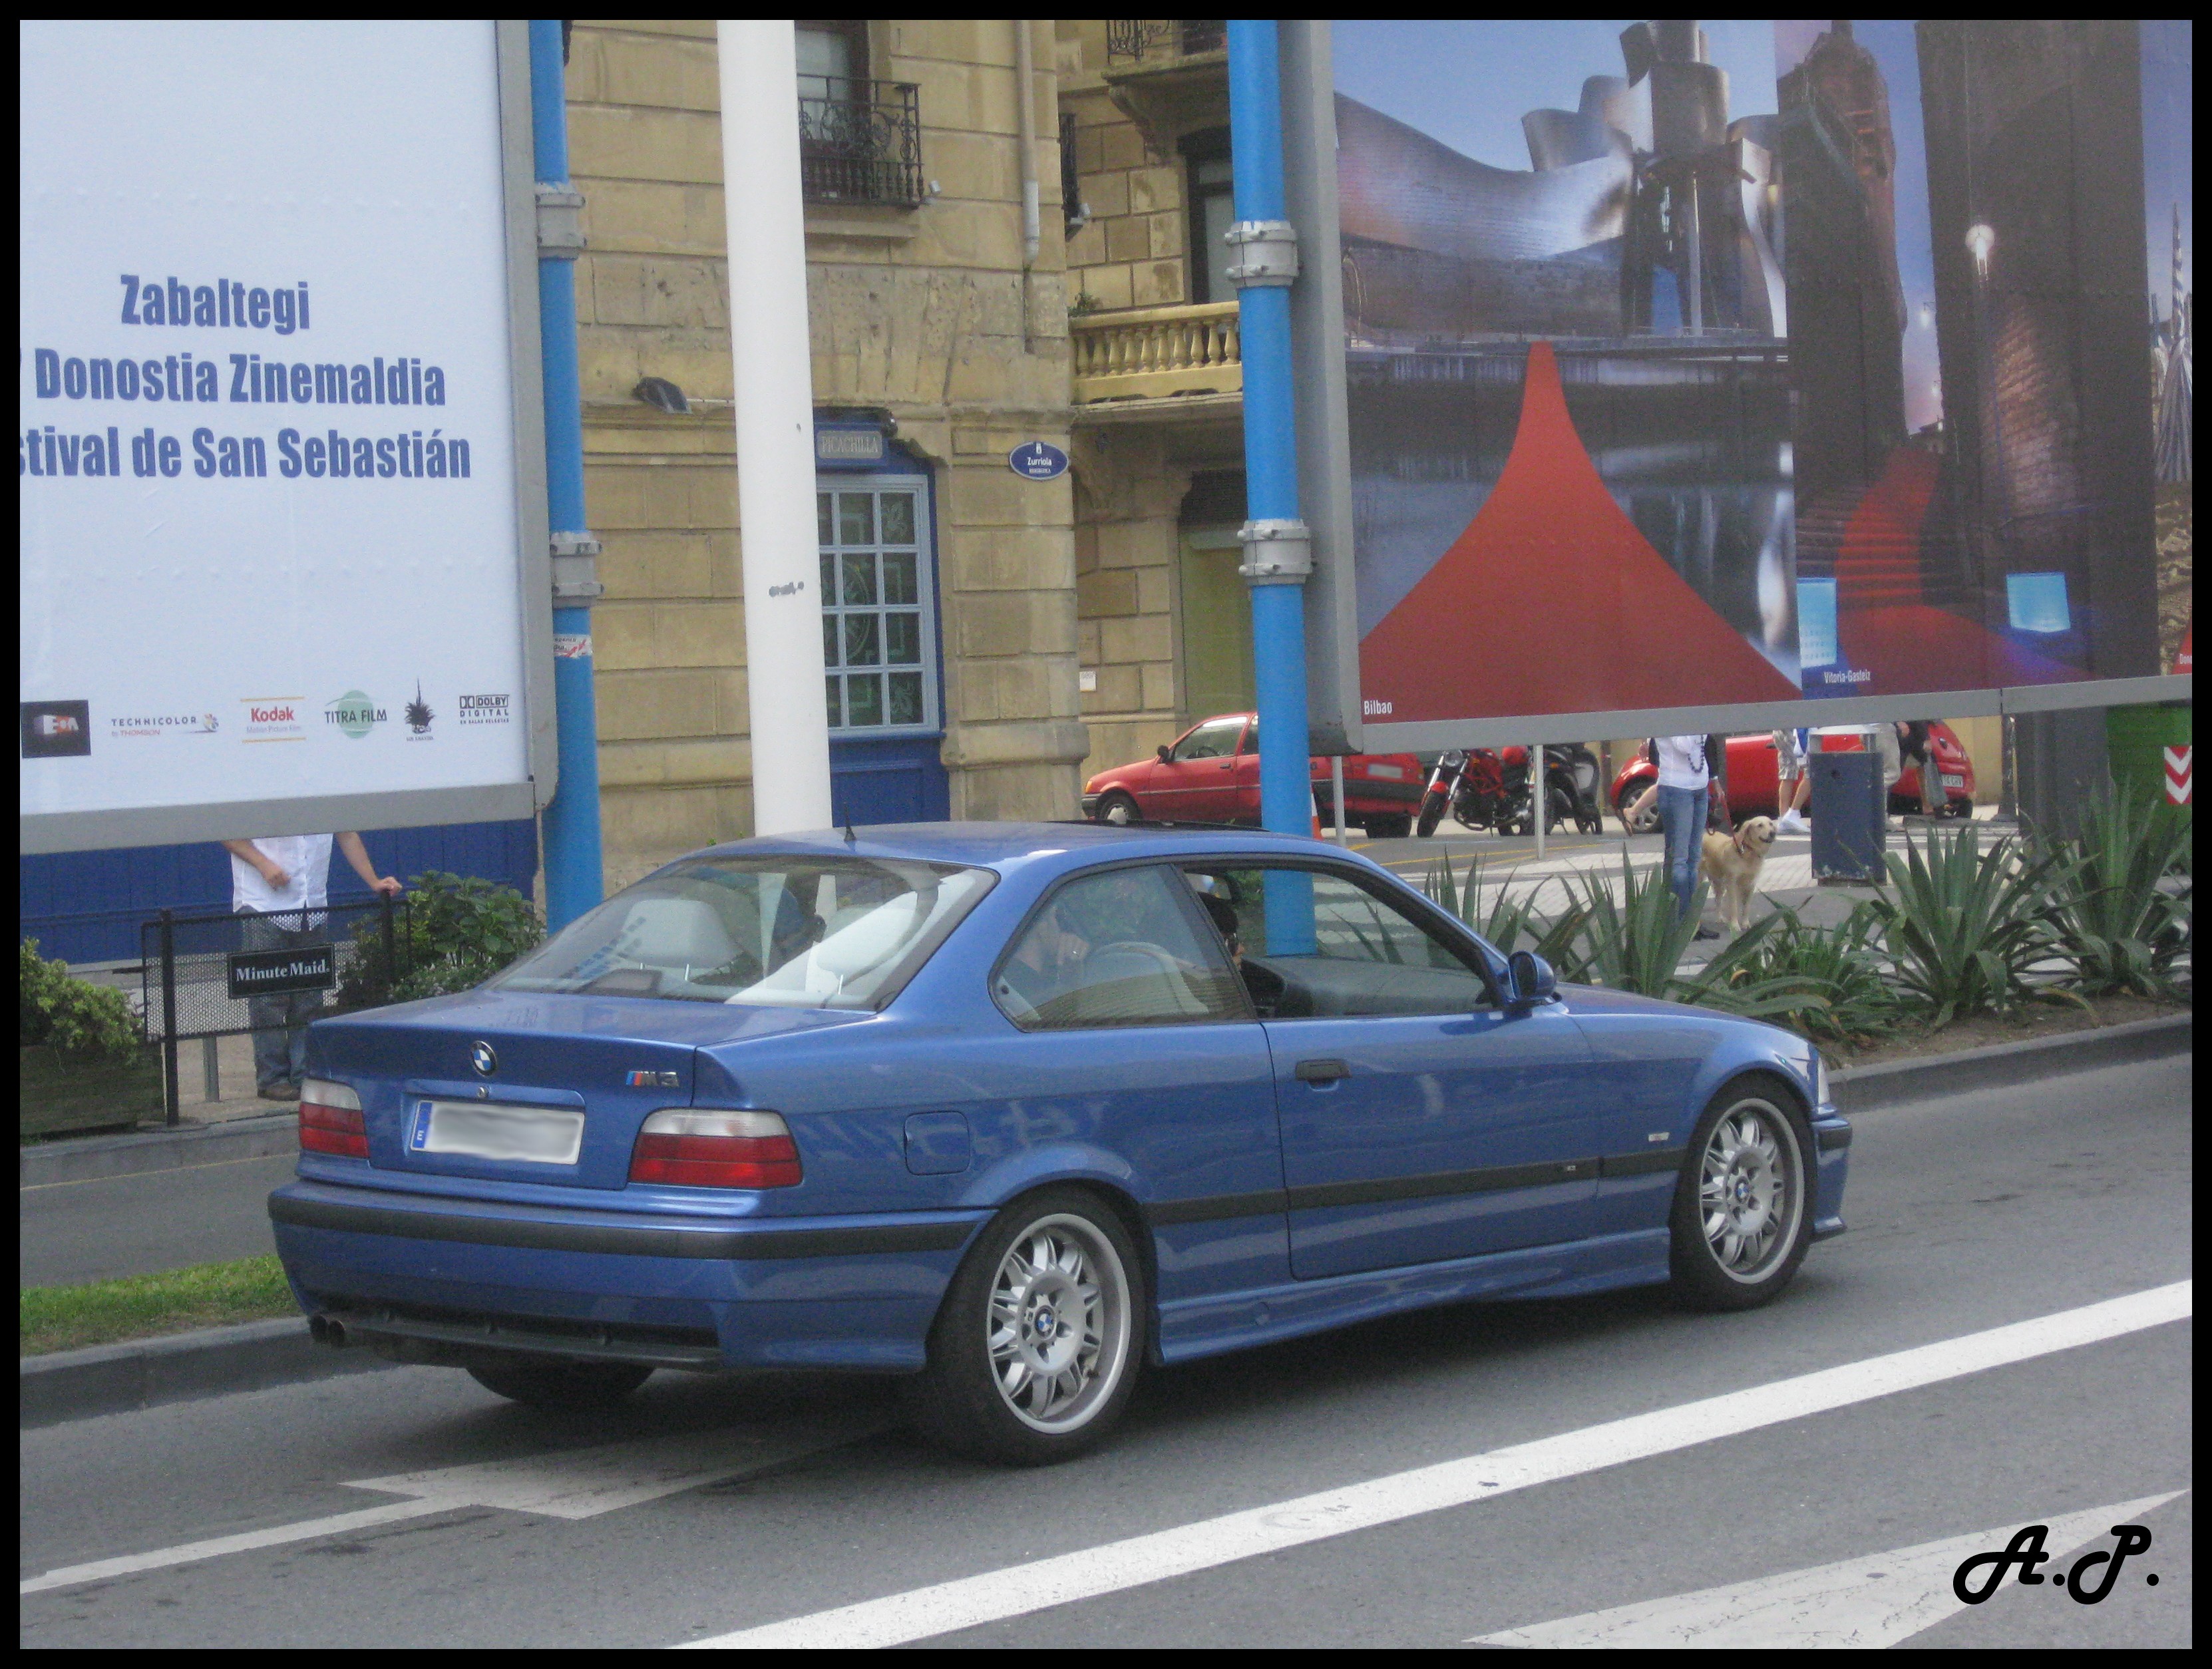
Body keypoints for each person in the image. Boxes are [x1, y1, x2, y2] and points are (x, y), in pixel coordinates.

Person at [221, 833, 401, 1101]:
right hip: (262, 902)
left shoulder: (321, 797)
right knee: (267, 996)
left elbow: (347, 834)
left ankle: (305, 1074)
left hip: (311, 903)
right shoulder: (258, 792)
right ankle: (273, 1078)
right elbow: (230, 835)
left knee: (309, 995)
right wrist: (263, 864)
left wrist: (373, 881)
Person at [1651, 735, 1719, 938]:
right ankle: (1677, 922)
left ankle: (1692, 922)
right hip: (1676, 789)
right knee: (1678, 860)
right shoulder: (1671, 713)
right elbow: (1685, 746)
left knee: (1694, 858)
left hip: (1699, 787)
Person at [1895, 720, 1944, 819]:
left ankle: (1928, 806)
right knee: (1929, 766)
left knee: (1923, 767)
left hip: (1903, 733)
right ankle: (1935, 806)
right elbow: (1919, 718)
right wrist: (1926, 738)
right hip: (1912, 735)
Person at [1773, 727, 1812, 834]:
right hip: (1797, 730)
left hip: (1781, 728)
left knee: (1788, 771)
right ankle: (1793, 813)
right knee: (1812, 770)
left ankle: (1784, 817)